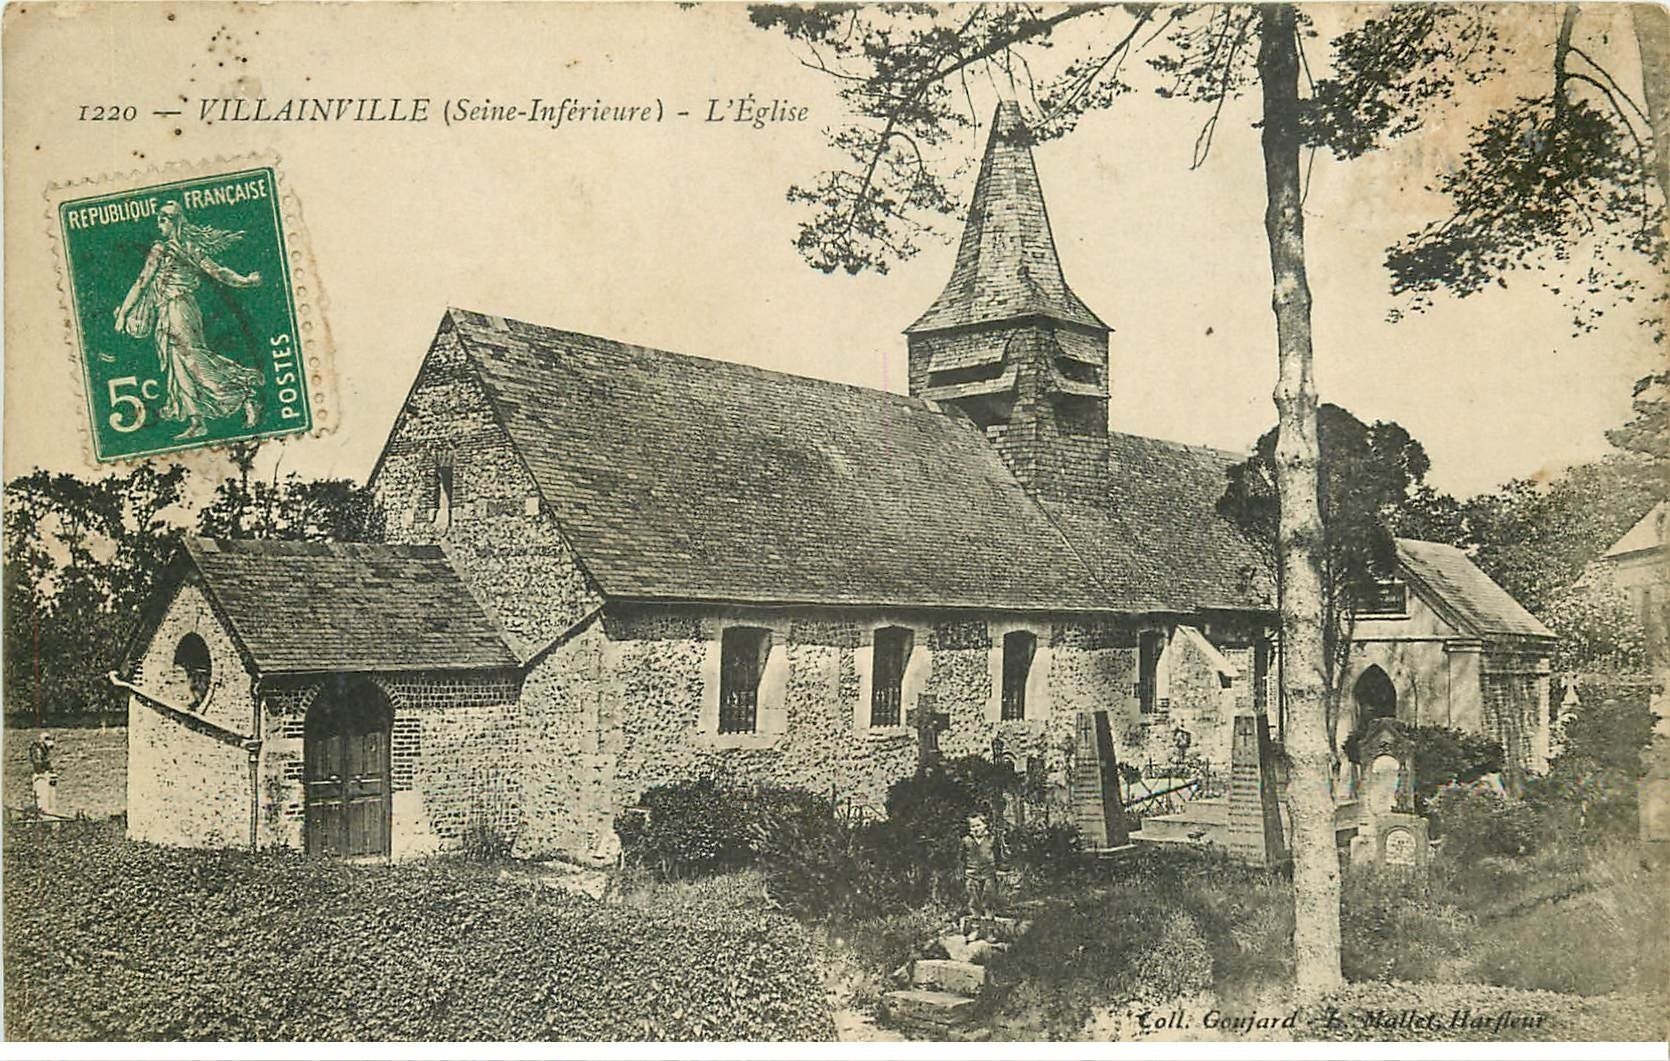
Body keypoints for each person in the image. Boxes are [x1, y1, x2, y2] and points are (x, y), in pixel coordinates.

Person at [113, 200, 265, 441]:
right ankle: (197, 421)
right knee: (178, 365)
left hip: (180, 308)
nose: (159, 223)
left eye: (163, 219)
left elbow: (143, 281)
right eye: (159, 219)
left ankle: (244, 394)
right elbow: (145, 281)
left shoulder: (169, 249)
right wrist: (245, 281)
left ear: (175, 222)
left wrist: (123, 313)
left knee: (192, 359)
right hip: (169, 311)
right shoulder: (174, 248)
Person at [962, 814, 998, 920]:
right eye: (973, 827)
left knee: (989, 900)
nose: (976, 829)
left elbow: (997, 855)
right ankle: (975, 928)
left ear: (985, 825)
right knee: (974, 901)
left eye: (978, 825)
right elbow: (962, 858)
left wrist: (997, 869)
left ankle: (989, 930)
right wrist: (967, 870)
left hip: (988, 874)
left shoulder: (991, 839)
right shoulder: (966, 841)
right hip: (972, 874)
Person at [28, 731, 58, 820]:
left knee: (50, 801)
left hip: (46, 776)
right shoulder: (36, 749)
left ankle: (49, 816)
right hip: (41, 776)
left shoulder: (44, 750)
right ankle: (45, 818)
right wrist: (47, 770)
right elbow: (38, 765)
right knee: (43, 801)